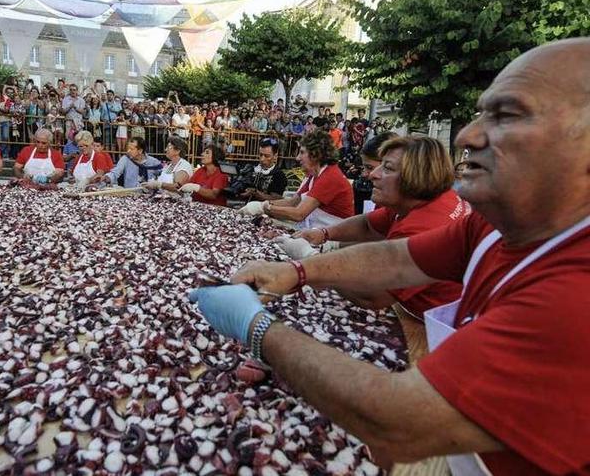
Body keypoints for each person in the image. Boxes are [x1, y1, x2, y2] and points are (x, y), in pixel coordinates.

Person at [189, 38, 590, 475]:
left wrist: (256, 327)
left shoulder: (576, 297)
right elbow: (398, 258)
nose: (468, 136)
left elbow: (400, 421)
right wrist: (297, 271)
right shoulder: (496, 224)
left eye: (507, 115)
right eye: (480, 114)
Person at [278, 135, 472, 318]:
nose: (373, 175)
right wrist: (323, 234)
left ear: (415, 176)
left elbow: (372, 295)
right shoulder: (420, 198)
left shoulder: (424, 227)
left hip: (433, 324)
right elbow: (368, 224)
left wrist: (310, 260)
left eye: (387, 168)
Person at [263, 129, 354, 228]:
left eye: (302, 152)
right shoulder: (314, 175)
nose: (297, 158)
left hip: (334, 238)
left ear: (315, 155)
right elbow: (292, 202)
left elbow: (299, 214)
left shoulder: (330, 176)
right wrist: (264, 204)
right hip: (316, 230)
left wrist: (266, 208)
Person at [238, 138, 288, 208]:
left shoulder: (279, 175)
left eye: (267, 156)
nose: (262, 159)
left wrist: (256, 193)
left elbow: (276, 199)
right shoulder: (251, 168)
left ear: (275, 156)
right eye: (260, 155)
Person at [97, 137, 162, 188]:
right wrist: (106, 178)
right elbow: (115, 173)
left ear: (140, 150)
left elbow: (162, 177)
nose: (128, 151)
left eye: (131, 149)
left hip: (149, 196)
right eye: (128, 148)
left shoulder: (154, 162)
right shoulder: (125, 159)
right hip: (131, 195)